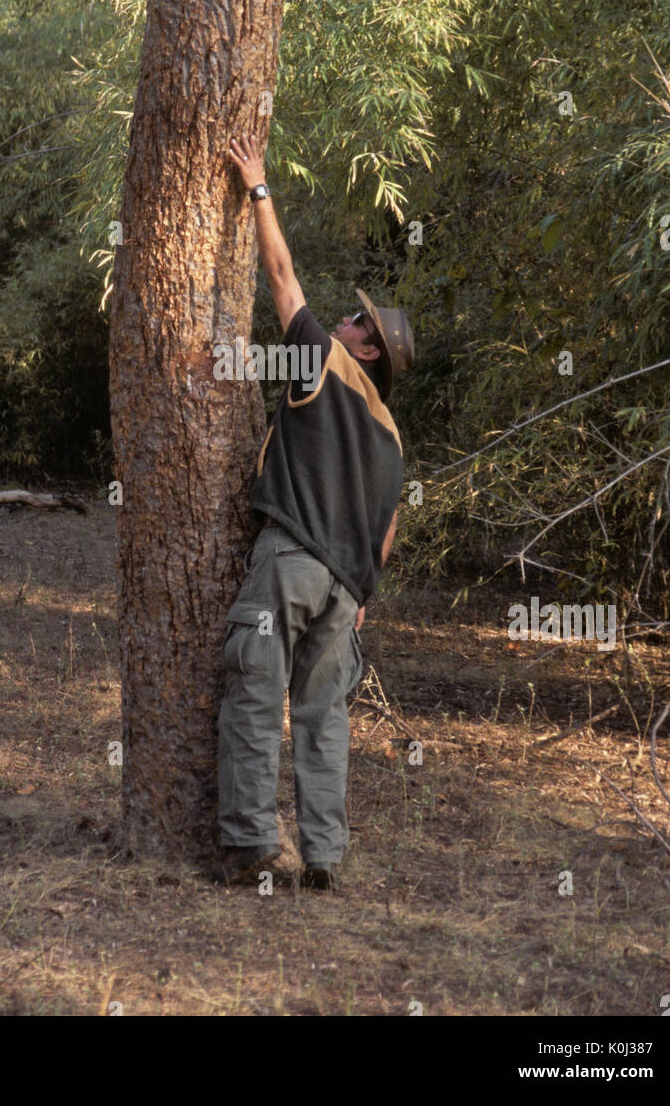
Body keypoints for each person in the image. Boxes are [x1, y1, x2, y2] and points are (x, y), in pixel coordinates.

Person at [213, 134, 414, 892]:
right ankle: (324, 856)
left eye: (359, 323)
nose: (346, 320)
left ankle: (252, 843)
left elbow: (280, 275)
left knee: (257, 692)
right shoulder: (392, 438)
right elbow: (389, 524)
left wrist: (258, 187)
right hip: (344, 593)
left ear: (367, 354)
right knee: (325, 721)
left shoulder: (321, 365)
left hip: (291, 562)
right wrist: (364, 593)